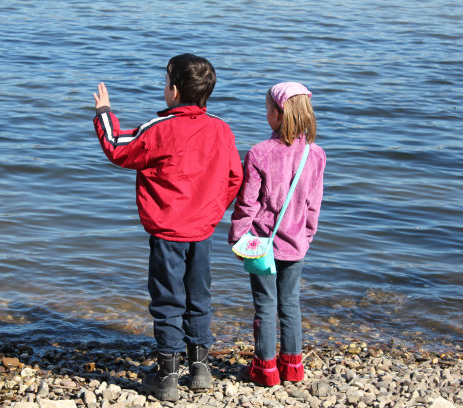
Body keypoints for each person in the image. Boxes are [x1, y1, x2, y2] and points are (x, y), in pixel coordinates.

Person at [92, 53, 243, 401]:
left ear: (173, 91)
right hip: (202, 231)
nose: (164, 88)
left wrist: (103, 113)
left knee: (167, 300)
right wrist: (212, 209)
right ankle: (200, 368)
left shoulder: (159, 129)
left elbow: (117, 148)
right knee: (199, 297)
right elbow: (235, 176)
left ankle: (168, 376)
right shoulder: (221, 129)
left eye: (165, 83)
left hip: (167, 232)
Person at [228, 82, 326, 386]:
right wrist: (307, 237)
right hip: (297, 243)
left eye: (267, 109)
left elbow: (248, 203)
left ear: (278, 114)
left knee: (265, 307)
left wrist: (237, 235)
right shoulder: (316, 154)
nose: (266, 114)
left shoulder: (259, 153)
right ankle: (293, 367)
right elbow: (314, 204)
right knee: (290, 305)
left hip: (261, 243)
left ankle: (265, 370)